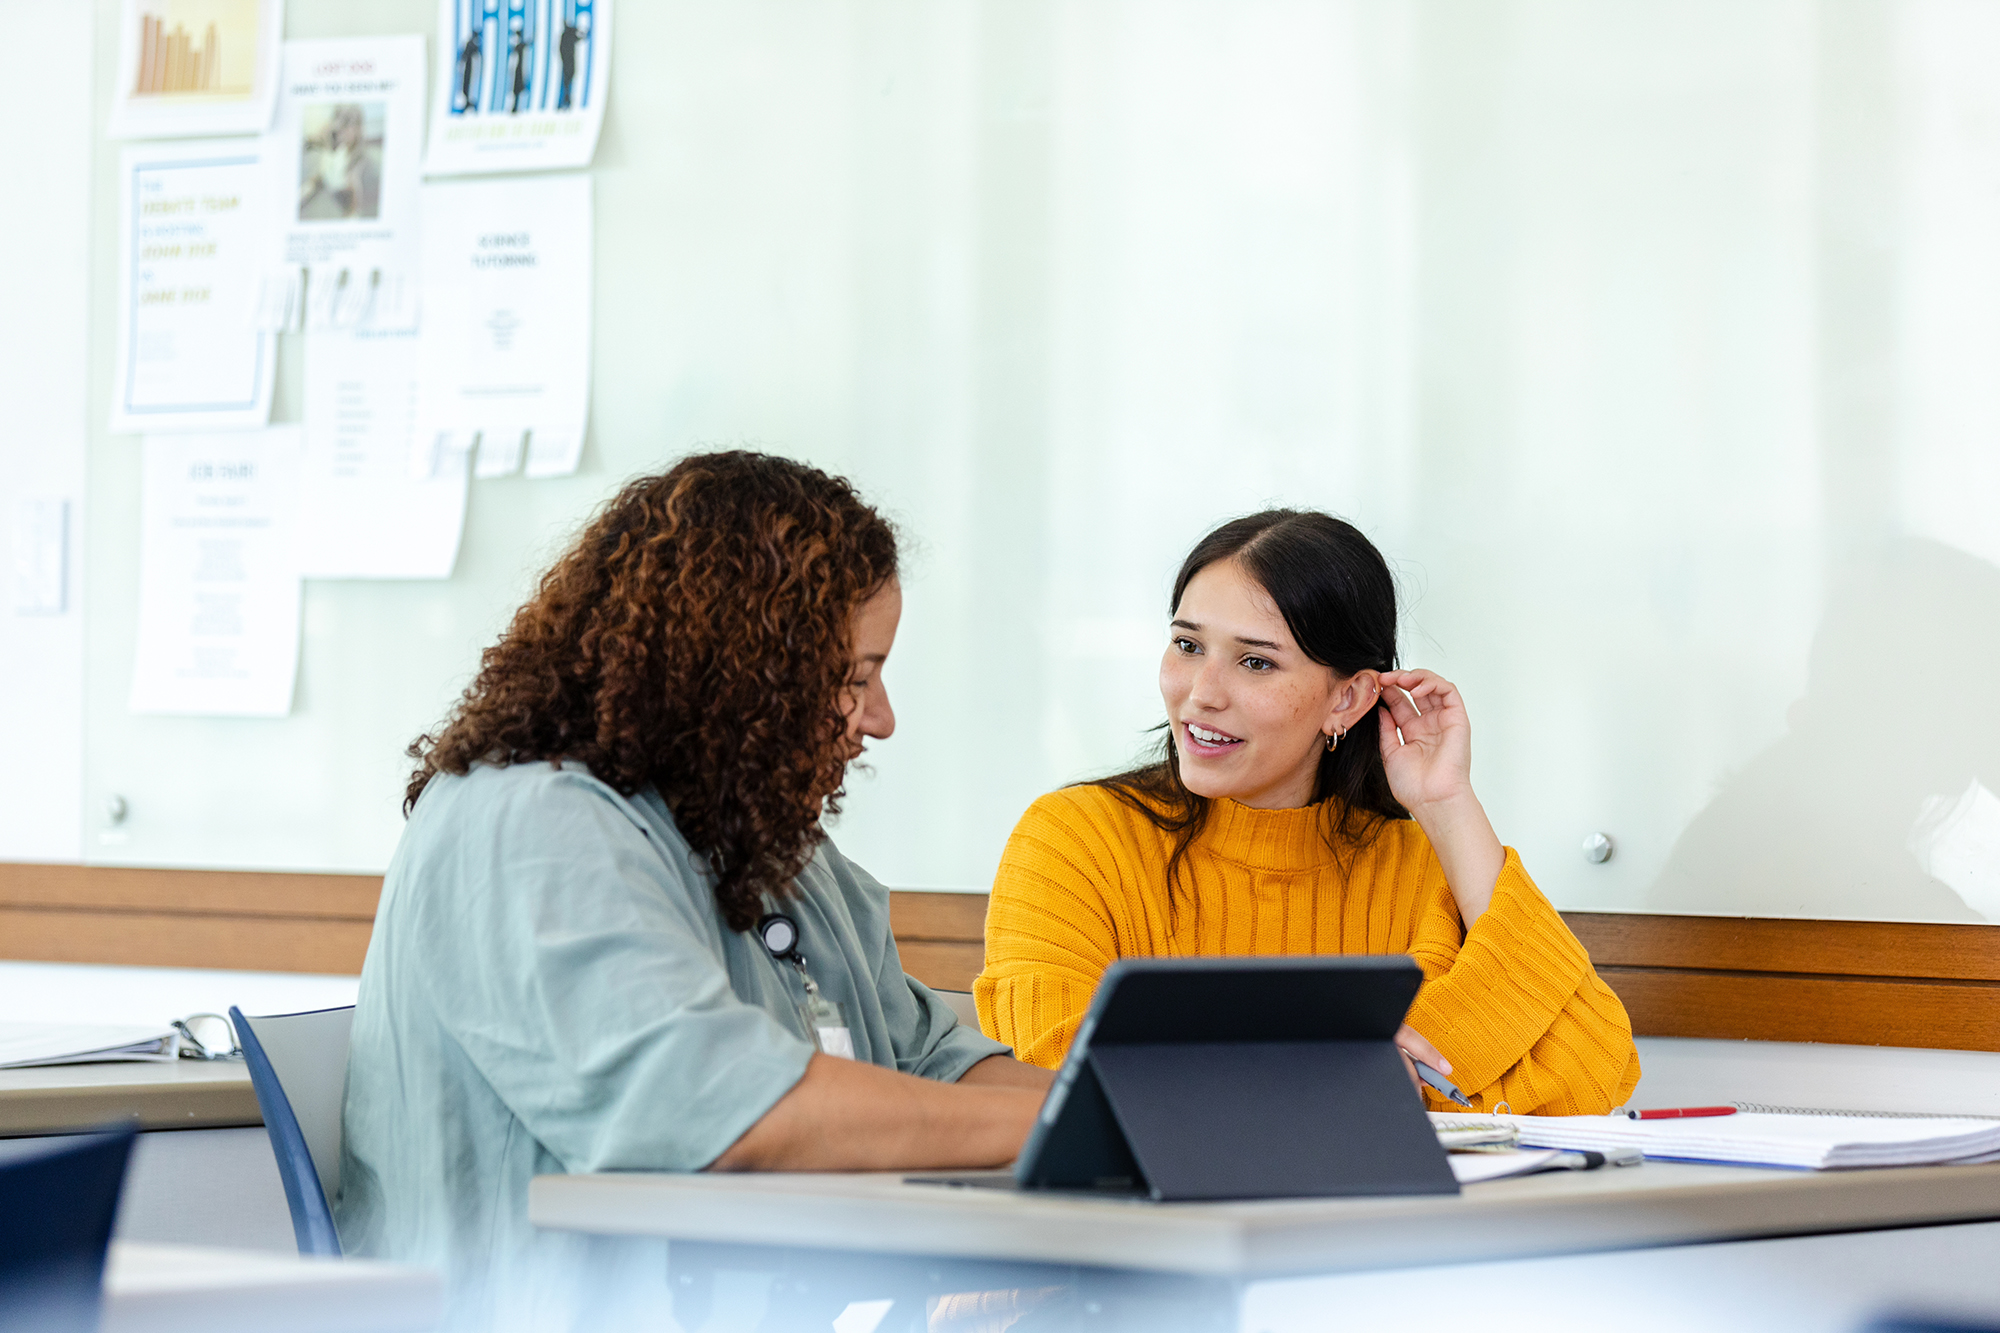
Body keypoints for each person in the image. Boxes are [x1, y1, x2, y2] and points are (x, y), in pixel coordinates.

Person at [337, 452, 1051, 1324]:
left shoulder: (766, 844)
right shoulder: (524, 824)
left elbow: (931, 1067)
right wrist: (1066, 1133)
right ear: (745, 668)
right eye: (853, 678)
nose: (880, 718)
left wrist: (1139, 1119)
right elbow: (716, 1112)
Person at [976, 510, 1640, 1115]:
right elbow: (1051, 1077)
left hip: (1383, 1238)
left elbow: (1594, 1069)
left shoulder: (1420, 865)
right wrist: (1343, 1071)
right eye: (1187, 645)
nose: (1201, 694)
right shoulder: (1074, 840)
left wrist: (1447, 806)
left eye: (1255, 661)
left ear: (1347, 700)